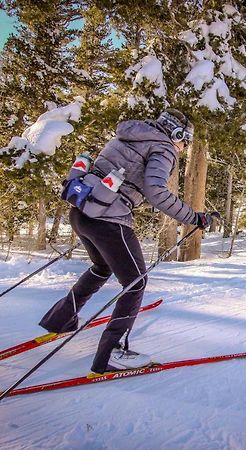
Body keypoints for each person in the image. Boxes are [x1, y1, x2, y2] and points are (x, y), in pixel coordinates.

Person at [39, 109, 215, 374]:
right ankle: (111, 355)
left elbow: (129, 178)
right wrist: (193, 217)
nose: (183, 148)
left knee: (101, 268)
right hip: (108, 220)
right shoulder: (163, 148)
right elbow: (156, 191)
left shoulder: (129, 135)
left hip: (82, 212)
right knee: (135, 282)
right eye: (184, 141)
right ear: (176, 135)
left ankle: (61, 320)